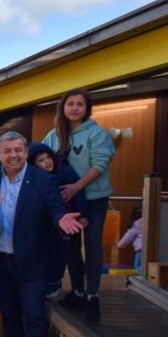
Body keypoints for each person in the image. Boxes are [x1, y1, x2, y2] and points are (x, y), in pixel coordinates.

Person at [0, 131, 84, 337]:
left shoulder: (42, 180)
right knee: (9, 315)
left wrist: (61, 220)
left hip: (33, 263)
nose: (13, 155)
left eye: (18, 150)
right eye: (8, 151)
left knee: (35, 318)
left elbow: (54, 209)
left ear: (26, 152)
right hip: (1, 261)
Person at [42, 89, 116, 322]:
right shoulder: (53, 136)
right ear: (63, 107)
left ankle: (93, 296)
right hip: (67, 201)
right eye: (70, 104)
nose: (74, 108)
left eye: (80, 104)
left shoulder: (97, 134)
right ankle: (76, 291)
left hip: (94, 199)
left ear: (87, 109)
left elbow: (100, 164)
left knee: (93, 246)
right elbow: (38, 158)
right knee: (70, 247)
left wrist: (77, 186)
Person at [28, 142, 90, 298]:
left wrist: (83, 215)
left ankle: (64, 284)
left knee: (65, 253)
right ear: (34, 164)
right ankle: (47, 282)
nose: (47, 162)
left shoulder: (66, 172)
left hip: (67, 222)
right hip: (46, 225)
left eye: (48, 157)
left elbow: (80, 194)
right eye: (41, 160)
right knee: (47, 253)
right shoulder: (34, 178)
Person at [118, 208, 143, 274]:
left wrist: (120, 245)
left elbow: (127, 237)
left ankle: (141, 281)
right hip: (153, 251)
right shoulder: (150, 222)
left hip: (141, 250)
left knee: (138, 267)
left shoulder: (136, 224)